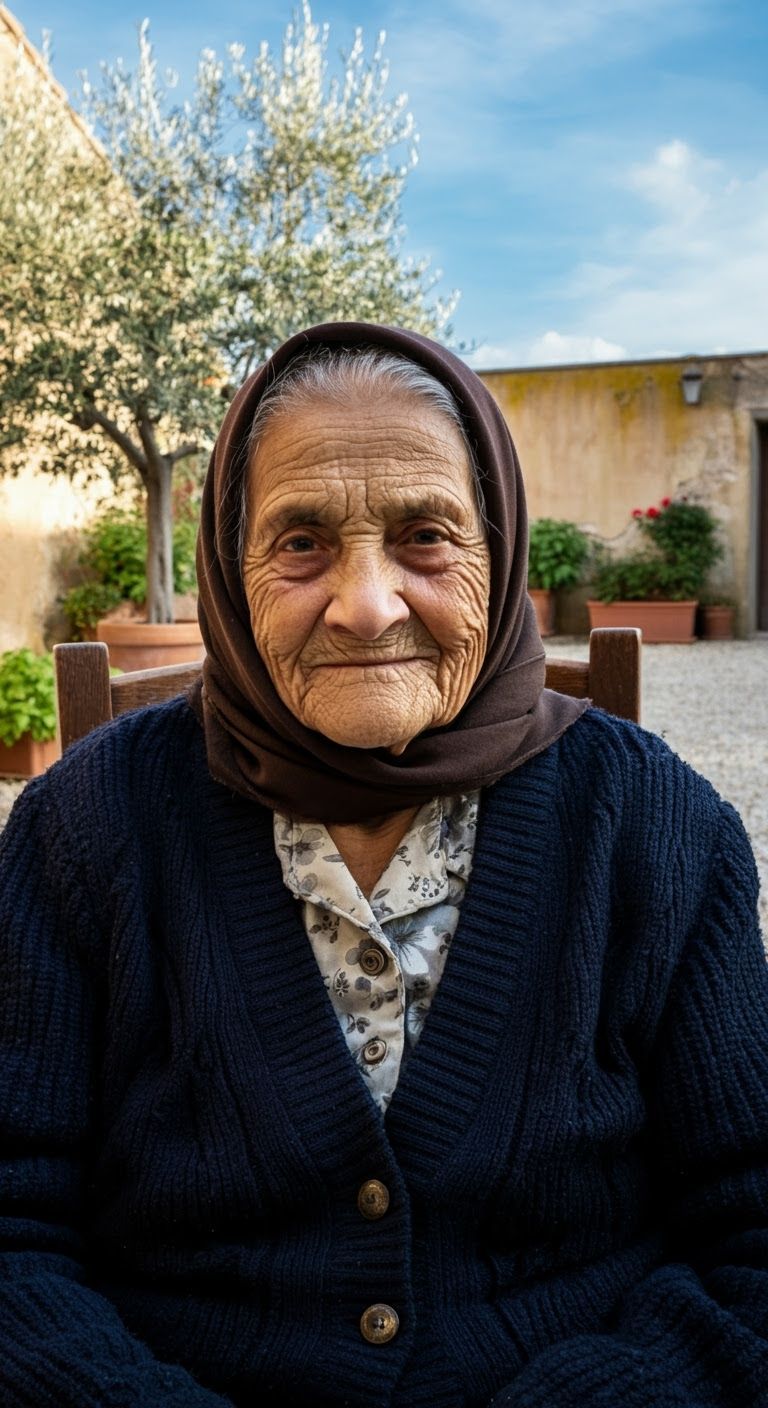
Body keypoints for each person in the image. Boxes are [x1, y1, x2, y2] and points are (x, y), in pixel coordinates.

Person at [0, 321, 767, 1408]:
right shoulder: (83, 830)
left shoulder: (658, 829)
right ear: (230, 567)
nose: (367, 606)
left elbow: (751, 1242)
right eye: (301, 542)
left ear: (500, 555)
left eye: (426, 536)